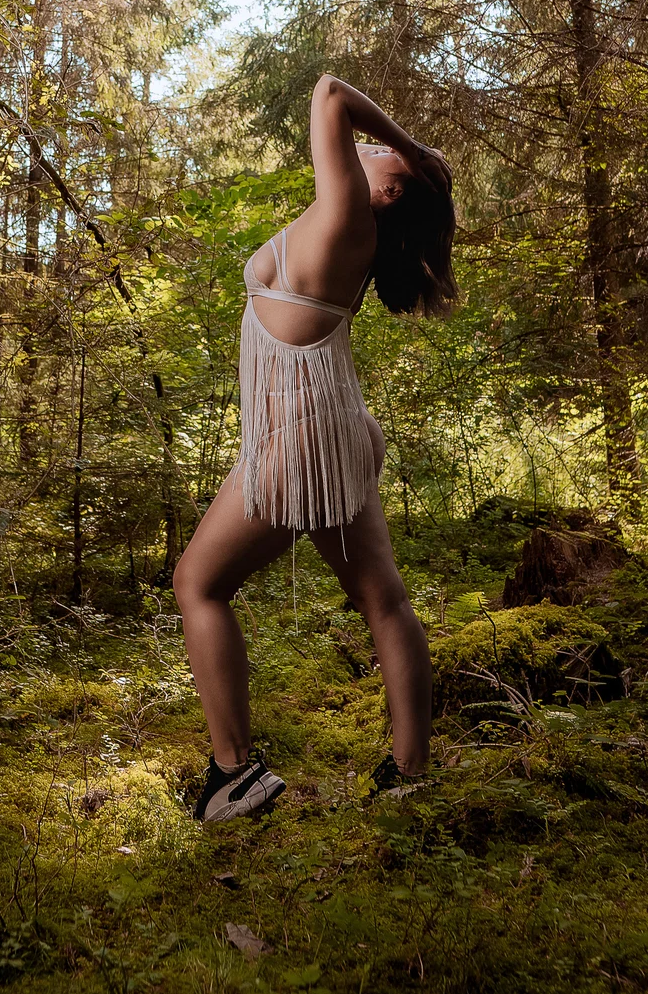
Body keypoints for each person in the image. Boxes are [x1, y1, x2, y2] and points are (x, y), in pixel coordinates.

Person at [173, 74, 457, 823]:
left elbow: (331, 93)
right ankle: (411, 771)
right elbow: (338, 113)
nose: (371, 148)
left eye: (385, 158)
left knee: (198, 583)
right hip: (332, 431)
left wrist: (411, 149)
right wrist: (410, 160)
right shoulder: (346, 223)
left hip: (303, 440)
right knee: (382, 597)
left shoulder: (348, 217)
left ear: (389, 191)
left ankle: (234, 773)